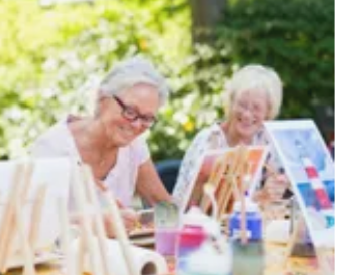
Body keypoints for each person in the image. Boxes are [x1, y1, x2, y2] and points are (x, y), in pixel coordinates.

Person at [30, 57, 173, 232]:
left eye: (147, 118)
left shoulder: (134, 145)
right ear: (102, 97)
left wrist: (195, 223)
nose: (136, 125)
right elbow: (36, 225)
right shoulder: (53, 147)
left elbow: (163, 206)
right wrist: (96, 223)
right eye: (130, 111)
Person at [173, 64, 288, 207]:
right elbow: (191, 206)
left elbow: (278, 194)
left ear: (268, 113)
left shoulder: (265, 140)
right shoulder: (209, 140)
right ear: (231, 103)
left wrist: (277, 187)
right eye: (242, 104)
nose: (247, 114)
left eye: (256, 108)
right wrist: (260, 197)